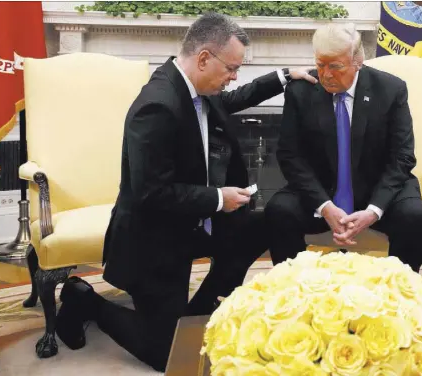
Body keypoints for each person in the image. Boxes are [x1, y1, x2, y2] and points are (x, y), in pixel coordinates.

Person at [54, 13, 316, 372]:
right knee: (169, 357)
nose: (234, 77)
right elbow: (152, 193)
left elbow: (236, 97)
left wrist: (284, 76)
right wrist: (219, 198)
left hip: (192, 226)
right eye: (232, 68)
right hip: (154, 240)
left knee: (266, 224)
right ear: (205, 58)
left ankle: (196, 314)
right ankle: (85, 301)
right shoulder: (157, 106)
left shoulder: (198, 88)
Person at [265, 23, 422, 272]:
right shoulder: (301, 91)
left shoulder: (390, 89)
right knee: (279, 210)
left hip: (377, 188)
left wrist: (373, 210)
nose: (326, 74)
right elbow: (290, 156)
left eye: (335, 66)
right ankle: (296, 292)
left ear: (358, 61)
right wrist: (325, 206)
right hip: (321, 190)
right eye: (320, 65)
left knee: (413, 215)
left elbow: (402, 157)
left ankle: (401, 295)